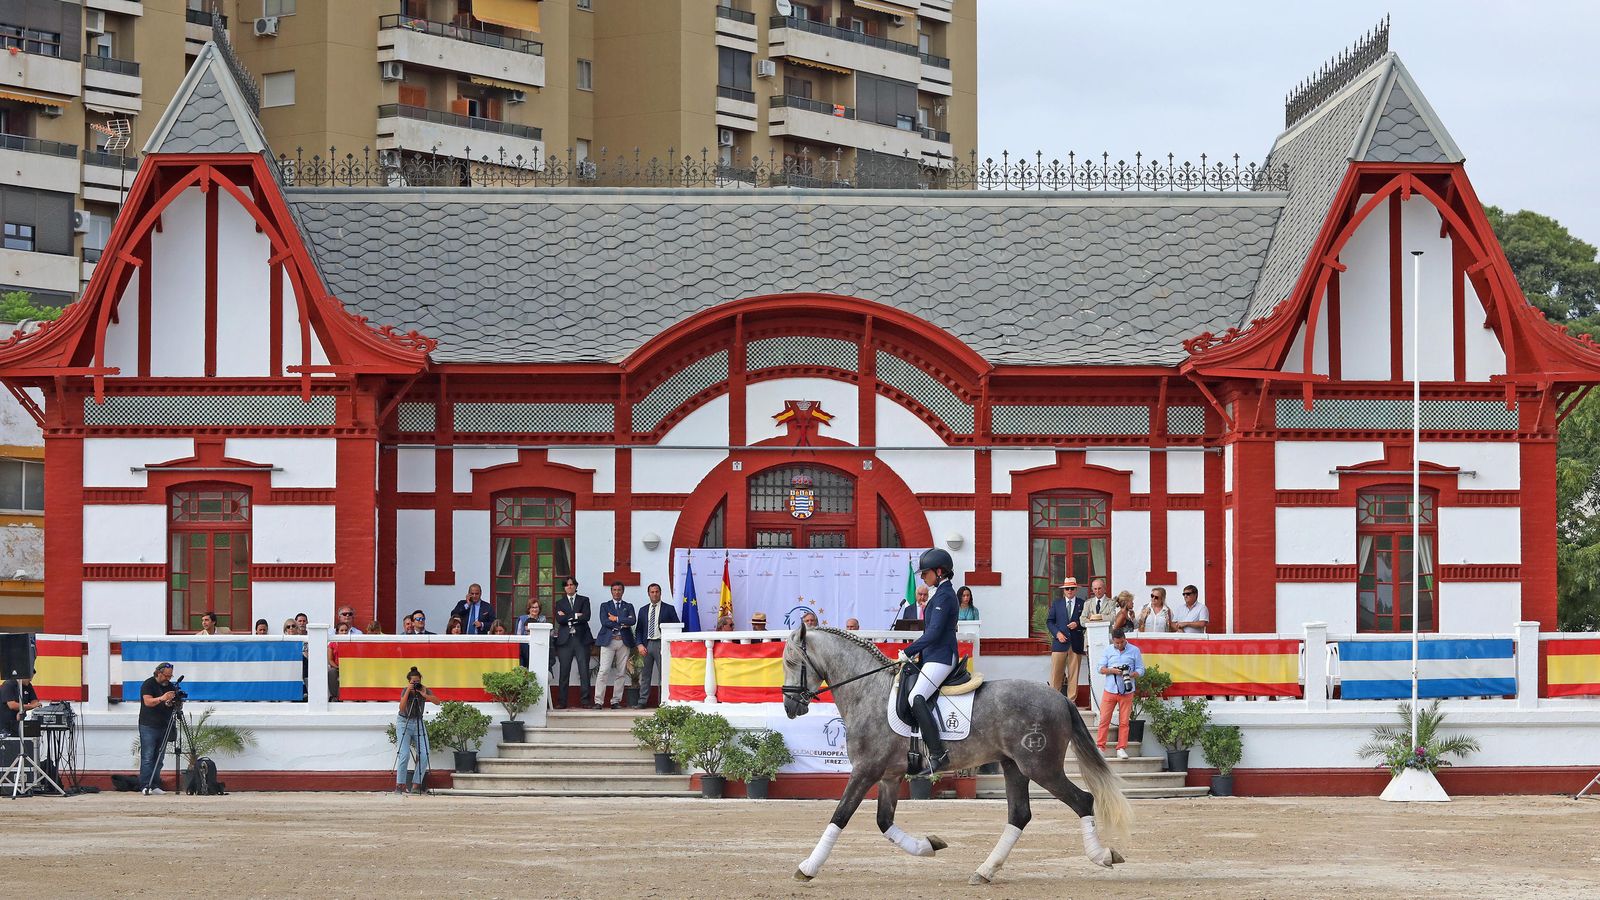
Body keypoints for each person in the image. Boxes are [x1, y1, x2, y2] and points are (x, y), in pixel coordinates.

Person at [899, 548, 958, 774]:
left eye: (926, 573)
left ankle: (937, 753)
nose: (923, 577)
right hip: (934, 655)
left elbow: (933, 633)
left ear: (940, 572)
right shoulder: (939, 594)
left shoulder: (945, 595)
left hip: (942, 657)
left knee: (916, 696)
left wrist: (908, 651)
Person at [1095, 628, 1144, 758]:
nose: (1119, 645)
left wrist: (1132, 674)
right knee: (1104, 719)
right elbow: (1099, 668)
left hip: (1127, 691)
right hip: (1110, 690)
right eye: (1117, 643)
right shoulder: (1108, 650)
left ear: (1124, 638)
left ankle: (1121, 748)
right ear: (1113, 640)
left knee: (1124, 721)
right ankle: (1100, 747)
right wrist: (1113, 671)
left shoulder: (1134, 650)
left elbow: (1141, 669)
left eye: (1121, 642)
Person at [395, 666, 441, 795]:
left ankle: (416, 784)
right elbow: (402, 708)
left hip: (418, 722)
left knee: (424, 753)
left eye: (417, 682)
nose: (415, 684)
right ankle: (400, 785)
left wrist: (425, 695)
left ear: (420, 680)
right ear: (409, 682)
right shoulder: (406, 690)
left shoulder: (423, 689)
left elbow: (438, 702)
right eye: (413, 682)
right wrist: (408, 692)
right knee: (404, 754)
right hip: (404, 722)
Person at [632, 583, 678, 709]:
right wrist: (639, 645)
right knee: (645, 675)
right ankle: (642, 701)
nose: (654, 594)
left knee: (664, 674)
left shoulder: (669, 609)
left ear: (660, 593)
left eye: (656, 591)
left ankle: (664, 701)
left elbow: (676, 627)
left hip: (662, 644)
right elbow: (639, 630)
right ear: (648, 594)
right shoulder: (643, 610)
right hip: (647, 645)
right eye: (652, 592)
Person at [594, 581, 637, 709]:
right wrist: (623, 623)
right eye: (614, 590)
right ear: (611, 591)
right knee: (603, 671)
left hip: (623, 642)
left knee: (621, 672)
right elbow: (605, 622)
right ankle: (598, 701)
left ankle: (616, 701)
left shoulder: (628, 606)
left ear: (623, 591)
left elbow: (632, 620)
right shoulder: (605, 606)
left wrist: (616, 619)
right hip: (609, 641)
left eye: (619, 590)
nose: (617, 592)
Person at [138, 662, 180, 794]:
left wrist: (173, 703)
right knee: (147, 756)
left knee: (159, 757)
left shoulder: (171, 686)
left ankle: (155, 784)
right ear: (158, 673)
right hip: (148, 725)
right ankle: (145, 785)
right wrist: (162, 698)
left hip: (164, 725)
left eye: (170, 676)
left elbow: (169, 704)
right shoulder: (148, 684)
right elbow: (148, 702)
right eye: (166, 676)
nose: (168, 679)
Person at [553, 576, 594, 709]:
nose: (569, 586)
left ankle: (585, 701)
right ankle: (562, 701)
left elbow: (586, 616)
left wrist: (568, 616)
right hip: (565, 640)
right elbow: (559, 619)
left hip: (581, 639)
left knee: (584, 671)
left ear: (576, 586)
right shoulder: (559, 602)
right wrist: (576, 615)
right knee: (564, 672)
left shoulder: (584, 600)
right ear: (564, 587)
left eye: (572, 584)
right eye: (567, 585)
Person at [1046, 576, 1087, 704]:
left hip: (1075, 643)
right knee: (1056, 673)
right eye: (1067, 588)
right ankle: (1054, 701)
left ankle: (1071, 701)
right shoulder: (1057, 604)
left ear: (1076, 590)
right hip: (1059, 643)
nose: (1070, 591)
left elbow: (1086, 621)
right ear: (1064, 590)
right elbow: (1050, 621)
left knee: (1074, 674)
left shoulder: (1082, 603)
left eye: (1072, 588)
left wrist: (1078, 624)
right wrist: (1057, 633)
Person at [1, 669, 41, 738]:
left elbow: (35, 701)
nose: (31, 679)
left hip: (19, 723)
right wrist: (30, 706)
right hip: (5, 725)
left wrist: (22, 710)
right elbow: (12, 705)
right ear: (22, 675)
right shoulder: (8, 685)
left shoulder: (28, 686)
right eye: (29, 677)